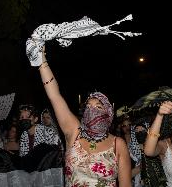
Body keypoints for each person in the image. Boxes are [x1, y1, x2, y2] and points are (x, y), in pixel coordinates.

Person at [36, 46, 131, 187]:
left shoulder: (118, 144)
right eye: (88, 107)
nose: (92, 110)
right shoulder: (74, 132)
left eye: (98, 107)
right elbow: (55, 96)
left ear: (108, 114)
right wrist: (41, 61)